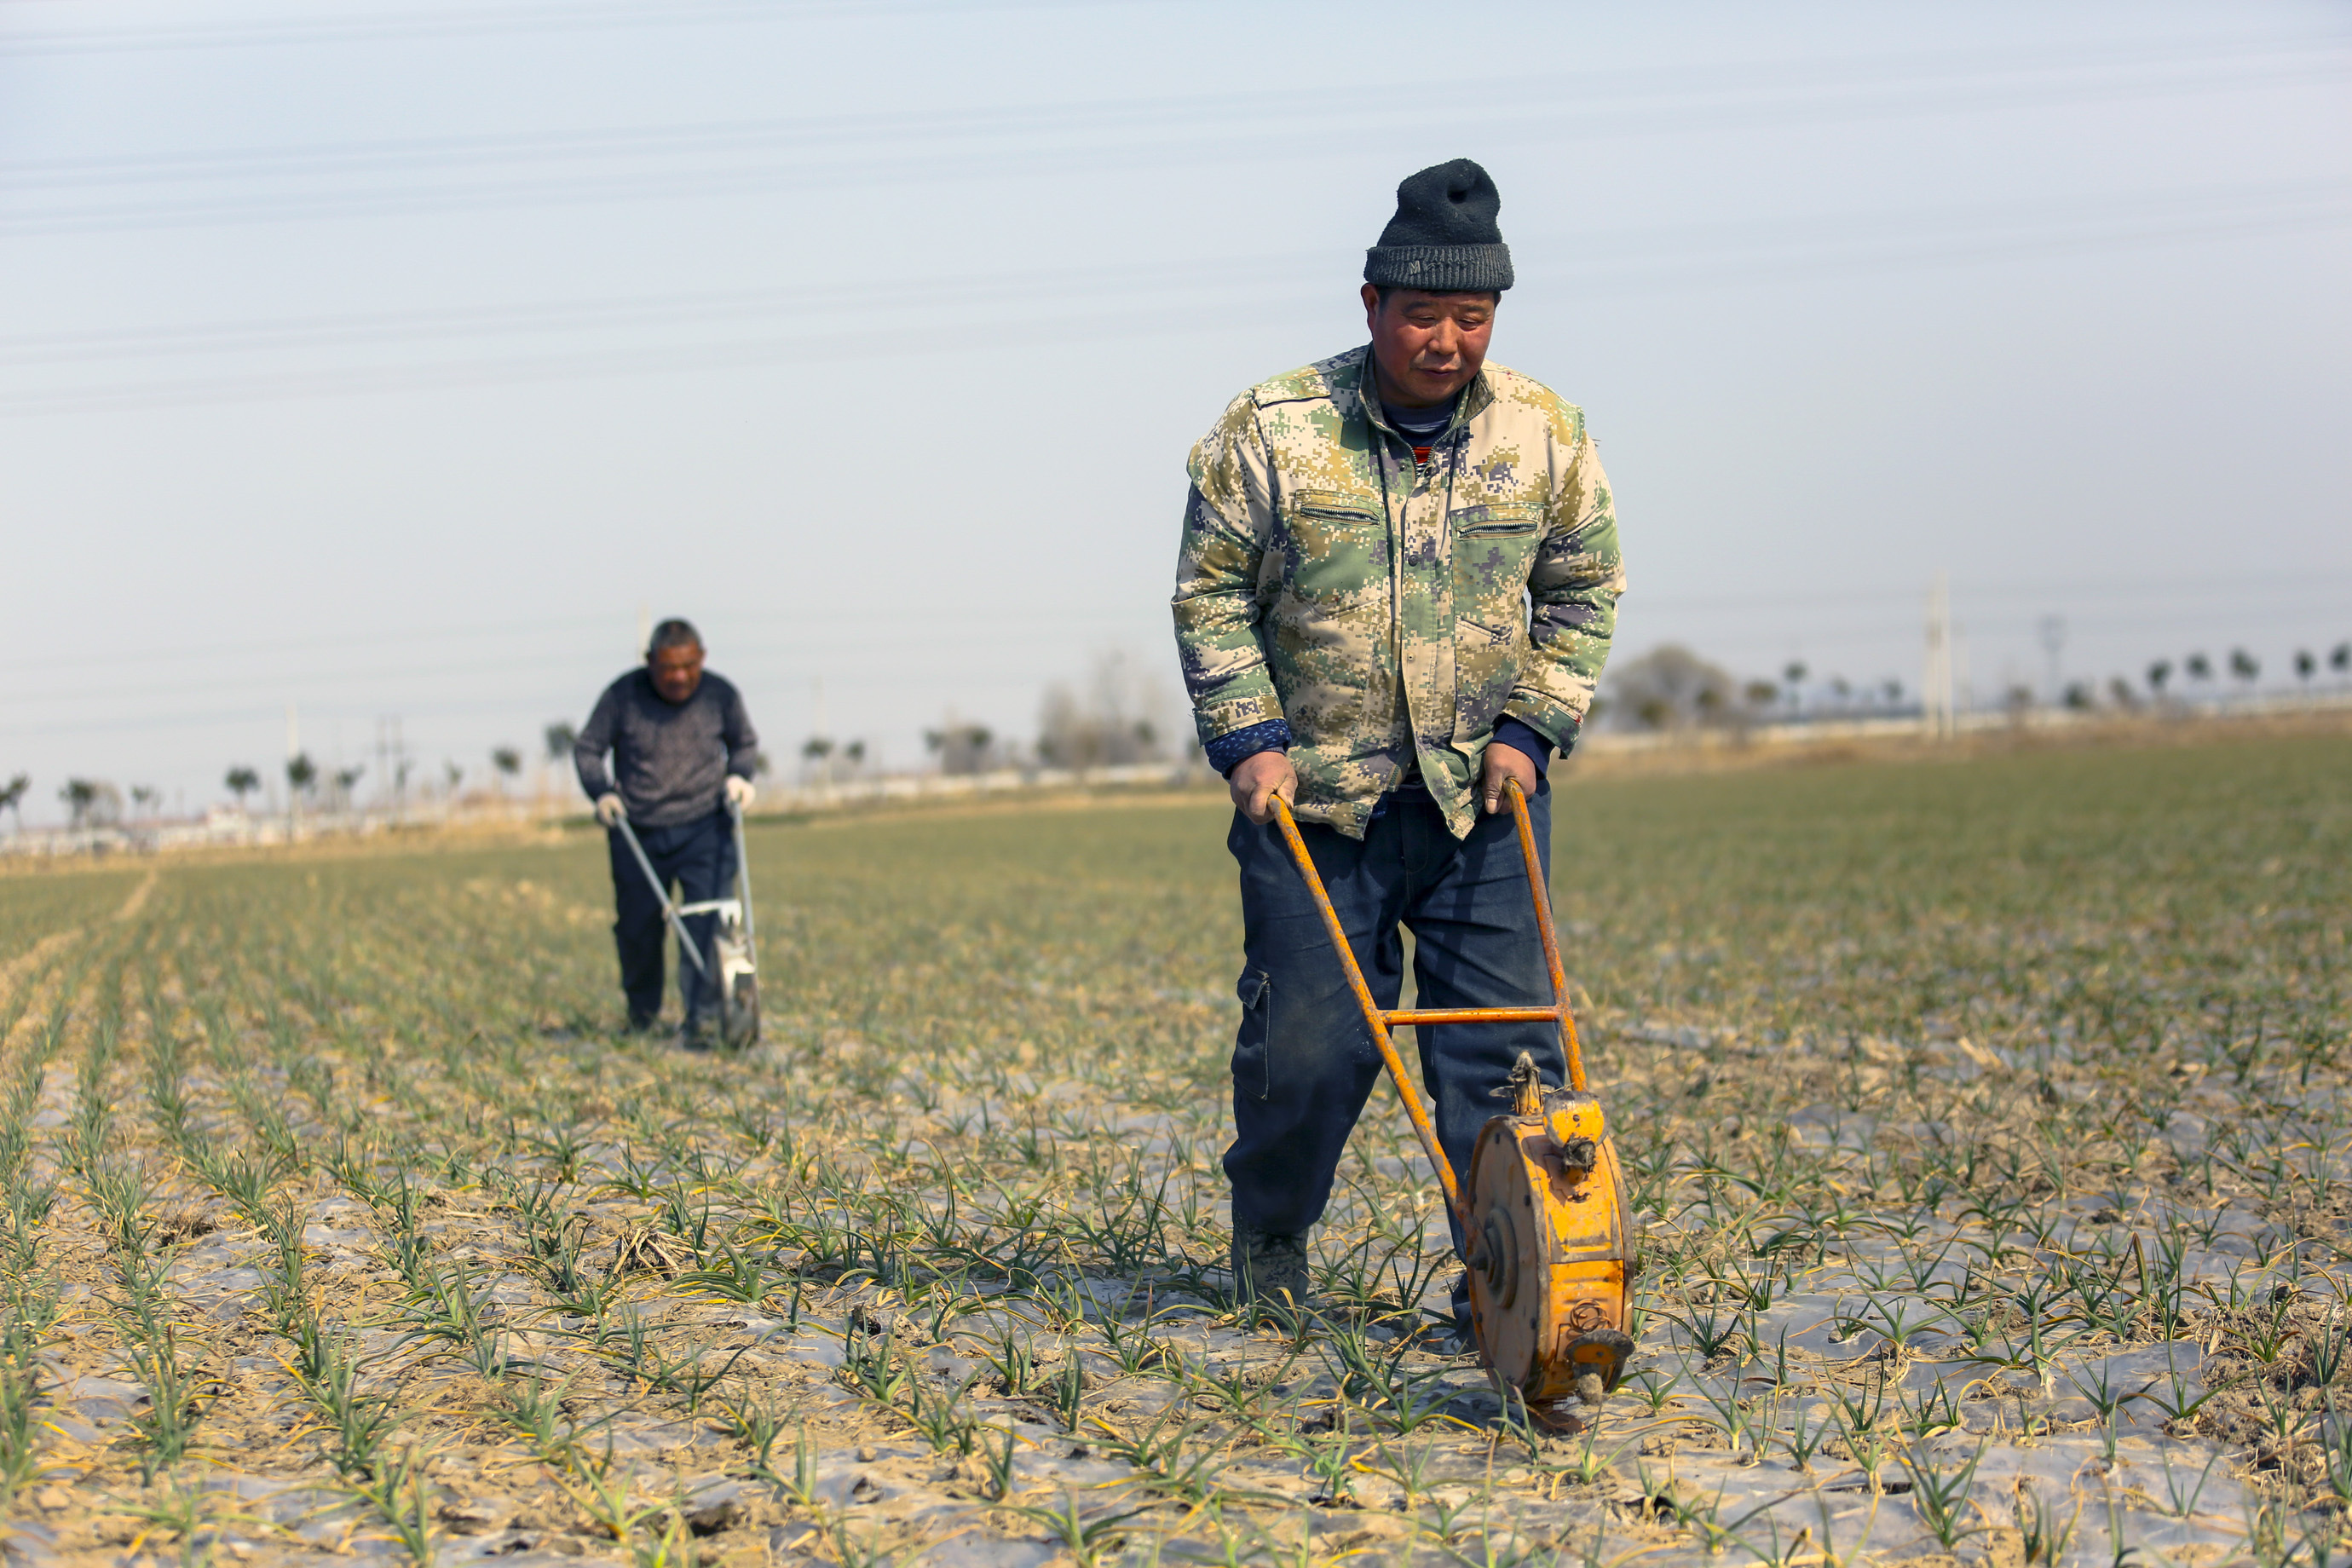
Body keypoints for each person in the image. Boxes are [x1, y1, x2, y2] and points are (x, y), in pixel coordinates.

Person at [1170, 159, 1626, 1341]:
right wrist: (1251, 741)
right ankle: (1271, 1231)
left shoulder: (1544, 435)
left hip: (1483, 804)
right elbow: (1211, 593)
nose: (1445, 342)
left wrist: (1533, 729)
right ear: (1370, 303)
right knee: (1308, 1052)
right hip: (1318, 808)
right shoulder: (1272, 433)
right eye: (1422, 315)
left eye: (1470, 319)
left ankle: (1508, 1284)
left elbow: (1584, 589)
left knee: (1510, 1061)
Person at [574, 618, 760, 1045]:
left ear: (702, 659)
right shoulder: (623, 695)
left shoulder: (720, 694)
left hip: (705, 826)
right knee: (638, 928)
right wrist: (601, 794)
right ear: (650, 663)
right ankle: (642, 1016)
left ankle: (705, 1020)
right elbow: (587, 749)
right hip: (637, 830)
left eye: (688, 666)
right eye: (668, 668)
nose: (679, 677)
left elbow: (745, 743)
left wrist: (740, 777)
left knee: (707, 923)